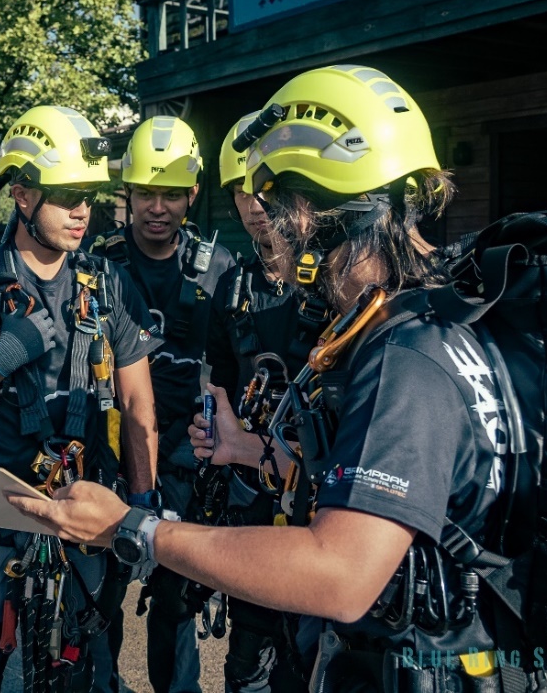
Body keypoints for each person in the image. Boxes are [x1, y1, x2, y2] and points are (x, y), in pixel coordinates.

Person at [12, 65, 516, 693]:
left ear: (323, 208)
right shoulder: (436, 318)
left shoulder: (403, 359)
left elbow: (339, 572)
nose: (268, 224)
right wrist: (249, 451)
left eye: (278, 203)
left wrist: (131, 528)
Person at [0, 105, 161, 693]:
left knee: (76, 672)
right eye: (68, 194)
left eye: (90, 196)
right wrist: (2, 356)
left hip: (83, 502)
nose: (84, 211)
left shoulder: (108, 283)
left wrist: (145, 503)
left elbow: (138, 405)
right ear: (23, 197)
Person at [87, 115, 233, 693]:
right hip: (107, 450)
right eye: (146, 191)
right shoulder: (96, 266)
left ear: (192, 194)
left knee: (175, 601)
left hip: (184, 459)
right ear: (127, 194)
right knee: (99, 598)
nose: (157, 206)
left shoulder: (220, 271)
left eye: (171, 193)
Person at [203, 115, 331, 693]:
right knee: (248, 659)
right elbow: (220, 382)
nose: (256, 203)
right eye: (242, 190)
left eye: (267, 188)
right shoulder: (231, 286)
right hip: (252, 492)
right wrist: (210, 433)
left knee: (316, 658)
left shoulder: (336, 284)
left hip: (322, 494)